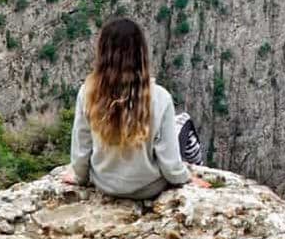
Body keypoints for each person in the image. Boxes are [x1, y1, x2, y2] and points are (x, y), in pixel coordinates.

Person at [63, 18, 210, 198]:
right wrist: (185, 178)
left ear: (102, 52)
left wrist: (79, 176)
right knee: (185, 124)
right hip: (148, 188)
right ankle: (198, 163)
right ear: (141, 53)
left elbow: (81, 145)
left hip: (105, 184)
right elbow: (169, 162)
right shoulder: (161, 97)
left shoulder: (88, 92)